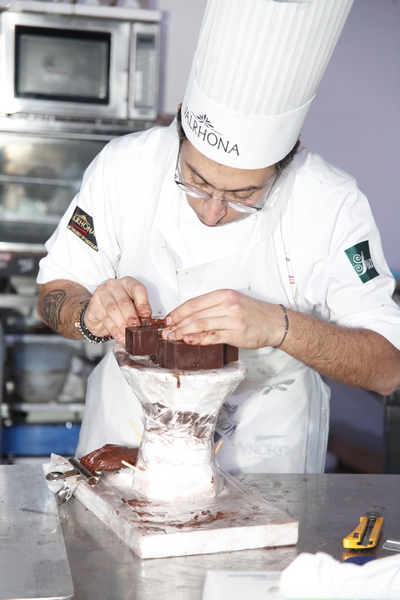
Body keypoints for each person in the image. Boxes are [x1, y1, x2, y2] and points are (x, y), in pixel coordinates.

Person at [36, 0, 400, 473]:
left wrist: (279, 326)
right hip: (125, 443)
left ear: (290, 154)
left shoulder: (330, 203)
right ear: (181, 123)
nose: (212, 213)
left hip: (267, 463)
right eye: (195, 182)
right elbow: (53, 291)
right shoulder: (124, 168)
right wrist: (89, 314)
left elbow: (389, 368)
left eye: (244, 194)